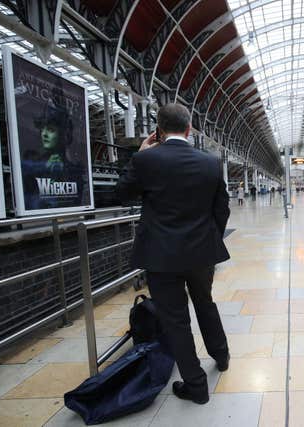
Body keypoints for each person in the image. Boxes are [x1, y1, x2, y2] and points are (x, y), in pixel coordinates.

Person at [116, 103, 230, 405]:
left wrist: (140, 153)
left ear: (159, 130)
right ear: (189, 128)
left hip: (161, 257)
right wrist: (209, 238)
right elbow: (222, 208)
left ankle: (196, 385)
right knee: (205, 302)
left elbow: (120, 193)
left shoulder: (146, 160)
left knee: (175, 320)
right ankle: (222, 356)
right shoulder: (211, 163)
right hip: (202, 254)